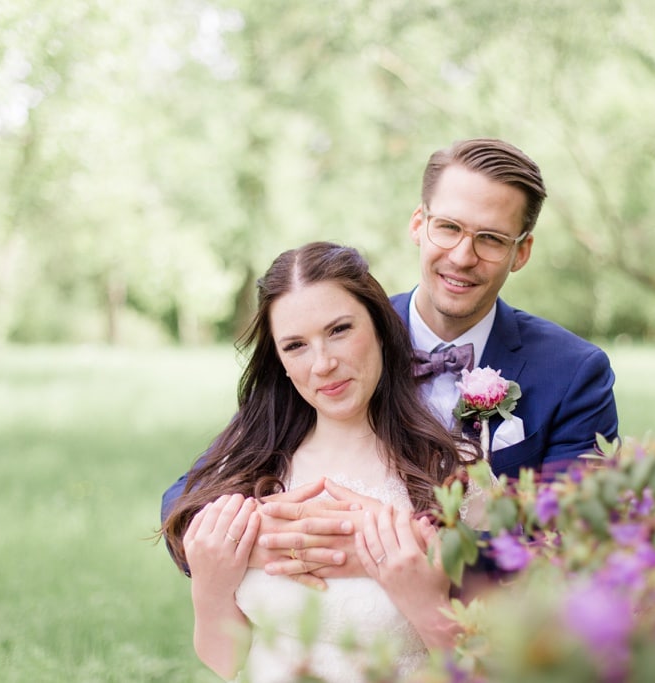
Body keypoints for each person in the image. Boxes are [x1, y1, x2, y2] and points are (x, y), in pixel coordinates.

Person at [161, 138, 618, 579]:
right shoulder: (340, 337)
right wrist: (268, 547)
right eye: (449, 227)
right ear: (419, 223)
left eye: (491, 239)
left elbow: (576, 550)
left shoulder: (574, 373)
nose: (462, 256)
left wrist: (399, 557)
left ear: (521, 252)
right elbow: (187, 494)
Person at [160, 242, 478, 682]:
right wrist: (210, 588)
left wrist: (427, 606)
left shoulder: (452, 471)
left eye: (340, 330)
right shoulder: (249, 467)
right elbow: (225, 661)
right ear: (280, 361)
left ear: (381, 328)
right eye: (296, 346)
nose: (323, 364)